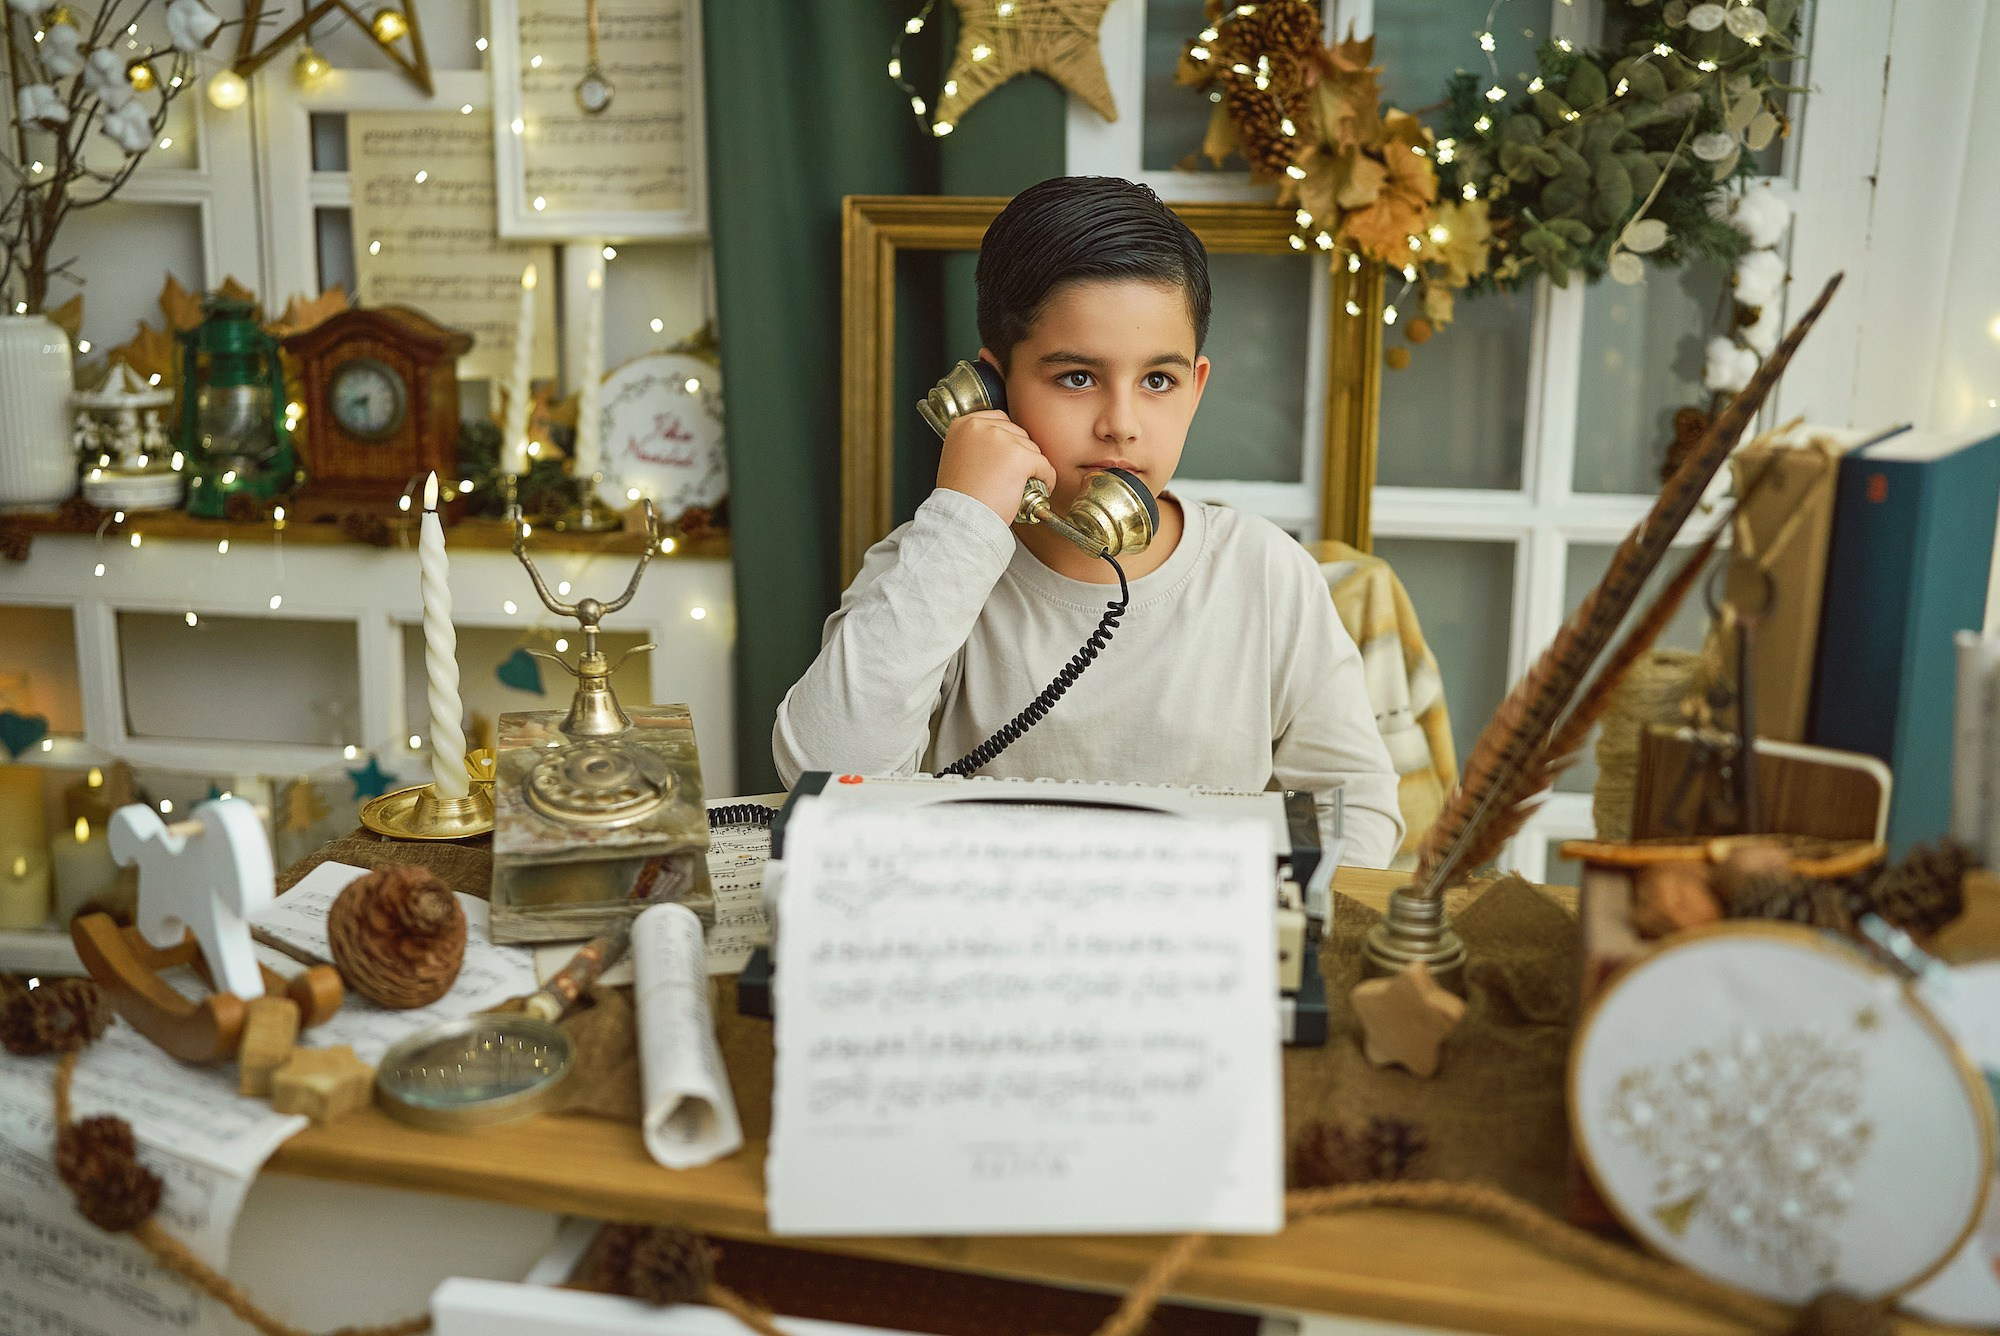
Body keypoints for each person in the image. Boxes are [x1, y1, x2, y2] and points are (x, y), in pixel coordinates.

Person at [772, 175, 1404, 868]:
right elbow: (825, 777)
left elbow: (1357, 809)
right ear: (991, 392)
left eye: (1157, 381)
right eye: (1076, 377)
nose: (1122, 425)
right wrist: (964, 519)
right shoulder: (929, 567)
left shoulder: (1264, 571)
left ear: (1195, 390)